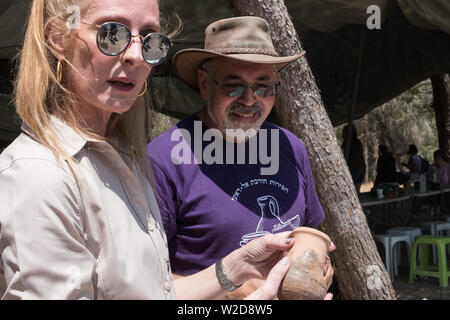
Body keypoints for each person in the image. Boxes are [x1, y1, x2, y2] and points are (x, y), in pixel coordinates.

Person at [0, 0, 302, 300]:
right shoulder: (39, 176)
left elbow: (158, 294)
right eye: (112, 33)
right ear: (57, 38)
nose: (136, 56)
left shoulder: (122, 159)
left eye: (150, 40)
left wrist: (236, 267)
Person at [147, 16, 334, 298]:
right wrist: (234, 291)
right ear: (204, 84)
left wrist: (321, 269)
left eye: (263, 86)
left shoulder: (289, 147)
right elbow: (143, 280)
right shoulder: (164, 159)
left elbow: (309, 236)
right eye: (233, 85)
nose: (249, 100)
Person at [341, 124, 366, 193]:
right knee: (356, 191)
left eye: (344, 131)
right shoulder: (355, 141)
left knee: (351, 191)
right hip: (360, 167)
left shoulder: (350, 142)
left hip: (356, 168)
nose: (342, 133)